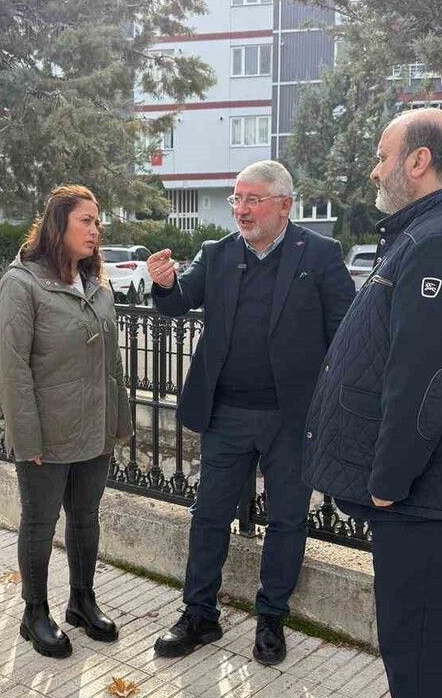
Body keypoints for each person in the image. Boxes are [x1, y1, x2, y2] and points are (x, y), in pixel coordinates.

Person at [302, 108, 442, 698]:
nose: (375, 172)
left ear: (418, 161)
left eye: (382, 158)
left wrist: (387, 483)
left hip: (433, 506)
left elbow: (425, 380)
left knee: (423, 665)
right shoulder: (438, 232)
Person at [146, 160, 356, 665]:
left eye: (252, 199)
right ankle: (200, 615)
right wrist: (165, 282)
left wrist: (334, 405)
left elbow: (346, 335)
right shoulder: (216, 254)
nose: (241, 209)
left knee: (286, 521)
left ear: (284, 204)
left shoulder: (321, 255)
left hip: (291, 420)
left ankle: (272, 619)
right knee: (209, 516)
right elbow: (177, 303)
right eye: (237, 199)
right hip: (226, 416)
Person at [0, 185, 134, 659]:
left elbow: (111, 364)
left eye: (98, 222)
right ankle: (34, 613)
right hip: (46, 437)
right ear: (58, 225)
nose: (96, 231)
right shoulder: (23, 282)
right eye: (86, 222)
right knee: (39, 522)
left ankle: (82, 600)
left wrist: (118, 421)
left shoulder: (95, 282)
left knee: (86, 518)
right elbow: (12, 369)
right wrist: (26, 437)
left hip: (94, 430)